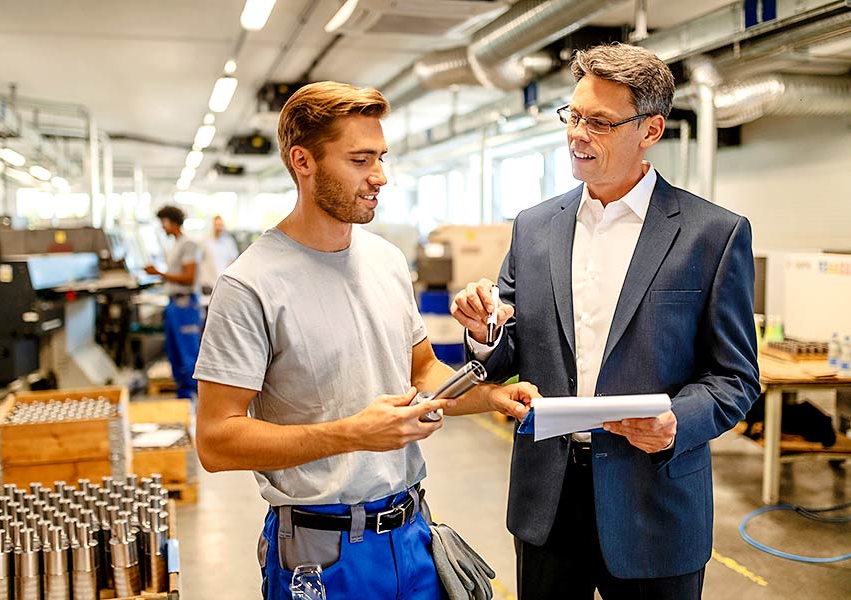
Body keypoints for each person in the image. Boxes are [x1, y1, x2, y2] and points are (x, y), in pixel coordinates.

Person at [192, 81, 538, 600]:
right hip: (321, 555)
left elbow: (422, 372)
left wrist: (491, 397)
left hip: (414, 533)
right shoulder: (249, 284)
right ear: (302, 161)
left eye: (380, 157)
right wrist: (353, 433)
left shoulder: (386, 261)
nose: (379, 176)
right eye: (359, 160)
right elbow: (216, 441)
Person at [450, 43, 759, 599]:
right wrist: (483, 329)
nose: (576, 134)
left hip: (655, 504)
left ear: (650, 129)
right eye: (572, 115)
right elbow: (509, 348)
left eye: (599, 121)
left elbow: (736, 380)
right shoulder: (535, 226)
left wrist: (675, 424)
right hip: (548, 499)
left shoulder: (713, 235)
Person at [144, 205, 203, 400]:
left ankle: (194, 400)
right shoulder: (176, 245)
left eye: (164, 223)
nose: (163, 227)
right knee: (175, 355)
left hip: (185, 305)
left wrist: (160, 273)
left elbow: (189, 278)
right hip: (174, 305)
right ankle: (183, 399)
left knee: (188, 354)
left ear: (172, 221)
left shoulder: (188, 244)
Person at [199, 215, 239, 294]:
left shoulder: (229, 242)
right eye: (216, 225)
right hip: (208, 285)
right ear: (213, 226)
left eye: (220, 225)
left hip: (224, 284)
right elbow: (198, 261)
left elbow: (233, 262)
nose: (218, 228)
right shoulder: (204, 242)